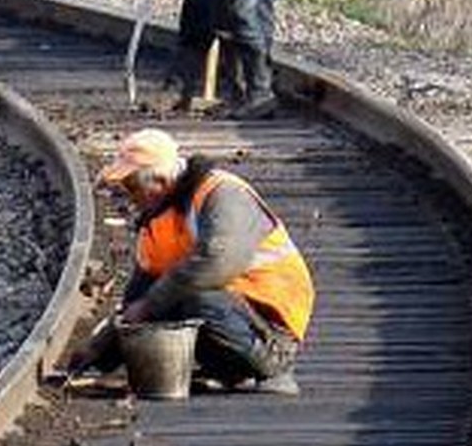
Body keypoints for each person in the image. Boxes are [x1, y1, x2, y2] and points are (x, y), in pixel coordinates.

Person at [67, 128, 314, 395]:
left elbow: (218, 263)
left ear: (160, 181)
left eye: (133, 186)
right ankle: (230, 370)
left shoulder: (223, 194)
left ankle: (274, 367)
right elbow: (137, 301)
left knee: (190, 297)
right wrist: (97, 352)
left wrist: (149, 305)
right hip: (228, 314)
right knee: (170, 299)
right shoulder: (158, 222)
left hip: (271, 328)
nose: (129, 195)